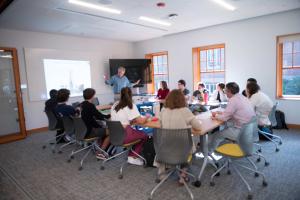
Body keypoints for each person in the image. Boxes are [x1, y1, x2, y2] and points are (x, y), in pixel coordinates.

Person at [158, 89, 202, 184]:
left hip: (165, 146)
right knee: (192, 142)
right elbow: (198, 127)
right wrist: (188, 126)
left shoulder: (163, 110)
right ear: (182, 99)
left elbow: (160, 125)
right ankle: (183, 175)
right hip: (182, 149)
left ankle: (163, 173)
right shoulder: (185, 110)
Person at [209, 82, 255, 152]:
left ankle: (209, 152)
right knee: (227, 125)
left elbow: (224, 118)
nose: (225, 93)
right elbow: (232, 113)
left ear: (229, 91)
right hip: (250, 129)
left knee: (217, 135)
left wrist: (215, 116)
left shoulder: (233, 100)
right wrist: (221, 113)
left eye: (225, 91)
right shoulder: (242, 97)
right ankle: (230, 143)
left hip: (241, 131)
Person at [110, 87, 149, 166]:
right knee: (144, 135)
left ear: (121, 95)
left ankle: (132, 153)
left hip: (114, 135)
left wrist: (130, 121)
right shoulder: (131, 105)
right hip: (125, 135)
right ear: (131, 95)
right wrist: (147, 116)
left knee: (137, 133)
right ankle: (132, 156)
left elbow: (119, 119)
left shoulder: (115, 105)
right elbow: (141, 121)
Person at [80, 88, 111, 159]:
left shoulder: (82, 104)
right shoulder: (90, 105)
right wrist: (109, 115)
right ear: (92, 96)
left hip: (84, 130)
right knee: (111, 132)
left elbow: (92, 117)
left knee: (103, 127)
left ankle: (100, 147)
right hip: (90, 131)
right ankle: (100, 152)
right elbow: (99, 116)